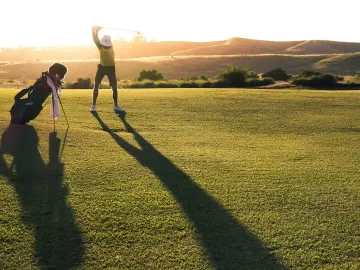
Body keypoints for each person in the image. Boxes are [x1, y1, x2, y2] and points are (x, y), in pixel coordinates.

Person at [90, 26, 125, 113]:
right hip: (102, 67)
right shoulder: (106, 46)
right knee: (97, 85)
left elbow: (95, 40)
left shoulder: (101, 47)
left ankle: (116, 106)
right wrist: (95, 30)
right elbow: (95, 40)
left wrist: (94, 30)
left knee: (114, 87)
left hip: (110, 68)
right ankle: (93, 105)